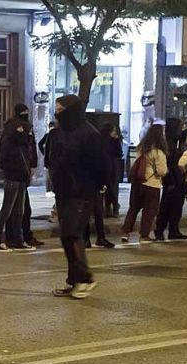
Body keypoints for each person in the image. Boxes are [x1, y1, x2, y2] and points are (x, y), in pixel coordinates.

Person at [47, 95, 109, 299]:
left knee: (72, 234)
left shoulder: (89, 134)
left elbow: (101, 164)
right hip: (63, 191)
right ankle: (74, 280)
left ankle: (85, 278)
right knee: (66, 235)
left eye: (60, 109)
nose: (57, 113)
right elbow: (51, 156)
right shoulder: (59, 133)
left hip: (81, 192)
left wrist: (96, 187)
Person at [121, 123, 168, 242]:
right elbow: (161, 171)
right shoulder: (158, 152)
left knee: (133, 208)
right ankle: (144, 234)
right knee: (149, 210)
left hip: (137, 183)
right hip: (151, 184)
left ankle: (126, 232)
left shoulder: (141, 148)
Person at [0, 118, 34, 252]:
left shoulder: (24, 144)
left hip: (21, 179)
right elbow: (1, 161)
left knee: (19, 211)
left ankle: (18, 240)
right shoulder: (9, 142)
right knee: (6, 210)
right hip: (12, 179)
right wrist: (15, 169)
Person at [6, 104, 44, 248]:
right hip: (16, 174)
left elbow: (31, 149)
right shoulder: (16, 131)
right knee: (16, 209)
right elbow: (28, 149)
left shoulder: (24, 128)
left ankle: (21, 236)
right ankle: (17, 237)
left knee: (19, 209)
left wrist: (32, 165)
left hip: (21, 173)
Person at [154, 118, 187, 240]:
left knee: (176, 206)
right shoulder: (167, 144)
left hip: (178, 179)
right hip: (171, 179)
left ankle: (174, 230)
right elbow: (171, 162)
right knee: (166, 206)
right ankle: (160, 230)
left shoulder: (174, 142)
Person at [100, 123, 123, 218]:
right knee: (111, 187)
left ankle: (107, 208)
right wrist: (117, 139)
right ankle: (115, 206)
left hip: (102, 167)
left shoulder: (100, 139)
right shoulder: (114, 140)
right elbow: (119, 153)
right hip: (112, 166)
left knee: (105, 188)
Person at [39, 121, 58, 223]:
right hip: (51, 162)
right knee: (49, 177)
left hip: (53, 162)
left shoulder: (55, 135)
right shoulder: (49, 135)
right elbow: (41, 144)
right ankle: (49, 190)